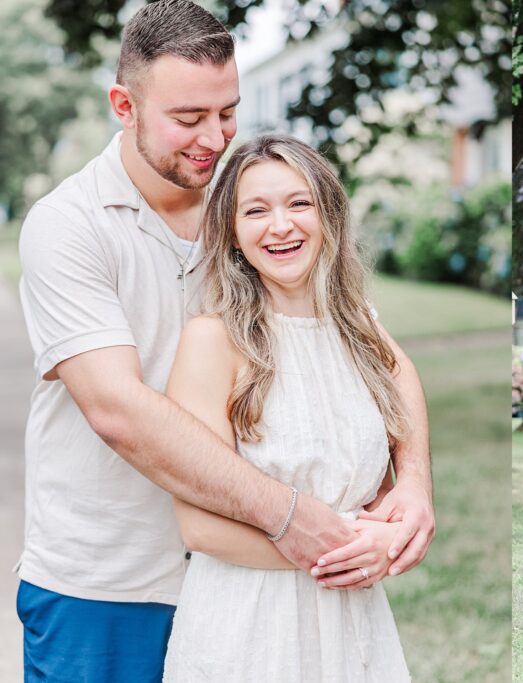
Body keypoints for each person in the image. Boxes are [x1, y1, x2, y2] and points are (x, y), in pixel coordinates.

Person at [15, 2, 432, 680]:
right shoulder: (69, 225)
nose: (214, 138)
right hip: (106, 581)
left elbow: (381, 352)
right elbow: (118, 410)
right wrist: (292, 517)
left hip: (250, 587)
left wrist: (414, 483)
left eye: (227, 112)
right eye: (188, 119)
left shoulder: (251, 206)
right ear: (124, 104)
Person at [161, 134, 411, 679]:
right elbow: (199, 529)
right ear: (231, 231)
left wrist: (396, 526)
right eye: (256, 210)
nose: (281, 226)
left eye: (299, 203)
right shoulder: (212, 340)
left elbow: (387, 467)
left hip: (355, 626)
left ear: (329, 216)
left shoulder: (360, 330)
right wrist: (348, 554)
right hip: (248, 629)